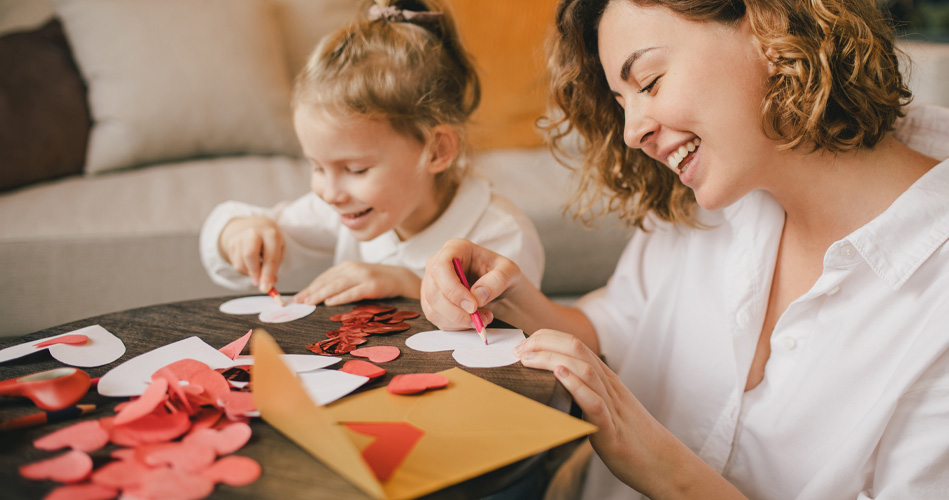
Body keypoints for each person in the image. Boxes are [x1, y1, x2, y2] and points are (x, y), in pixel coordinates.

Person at [420, 0, 949, 499]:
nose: (631, 133)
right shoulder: (712, 194)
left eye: (649, 81)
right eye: (621, 102)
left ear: (767, 21)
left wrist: (664, 471)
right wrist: (500, 294)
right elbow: (613, 327)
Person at [200, 0, 544, 306]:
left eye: (356, 170)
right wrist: (238, 234)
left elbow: (505, 336)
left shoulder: (500, 236)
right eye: (317, 167)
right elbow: (224, 239)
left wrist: (406, 284)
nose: (329, 193)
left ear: (436, 150)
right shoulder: (345, 208)